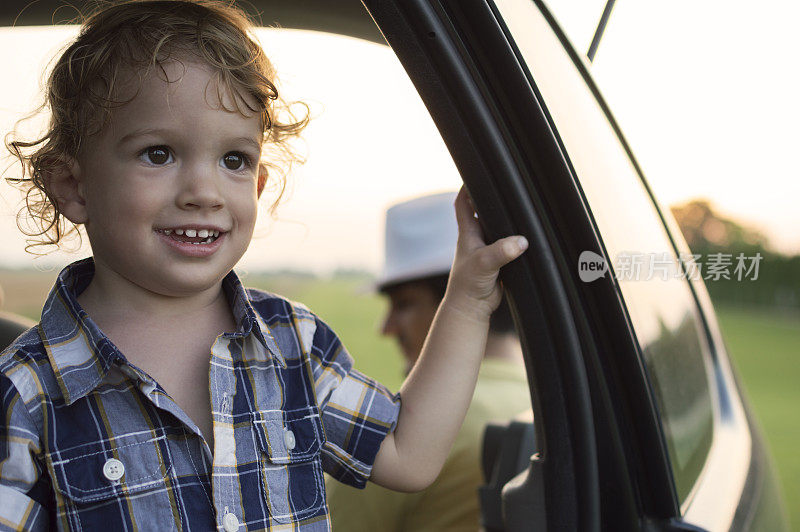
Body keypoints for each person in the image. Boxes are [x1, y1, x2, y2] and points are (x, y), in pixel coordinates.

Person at [0, 2, 528, 530]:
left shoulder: (292, 343)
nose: (204, 193)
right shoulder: (25, 395)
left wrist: (467, 298)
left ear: (257, 186)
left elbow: (407, 452)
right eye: (158, 153)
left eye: (234, 160)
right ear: (72, 185)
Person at [327, 192, 531, 531]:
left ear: (455, 297)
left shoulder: (394, 437)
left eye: (404, 304)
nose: (386, 328)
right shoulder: (541, 407)